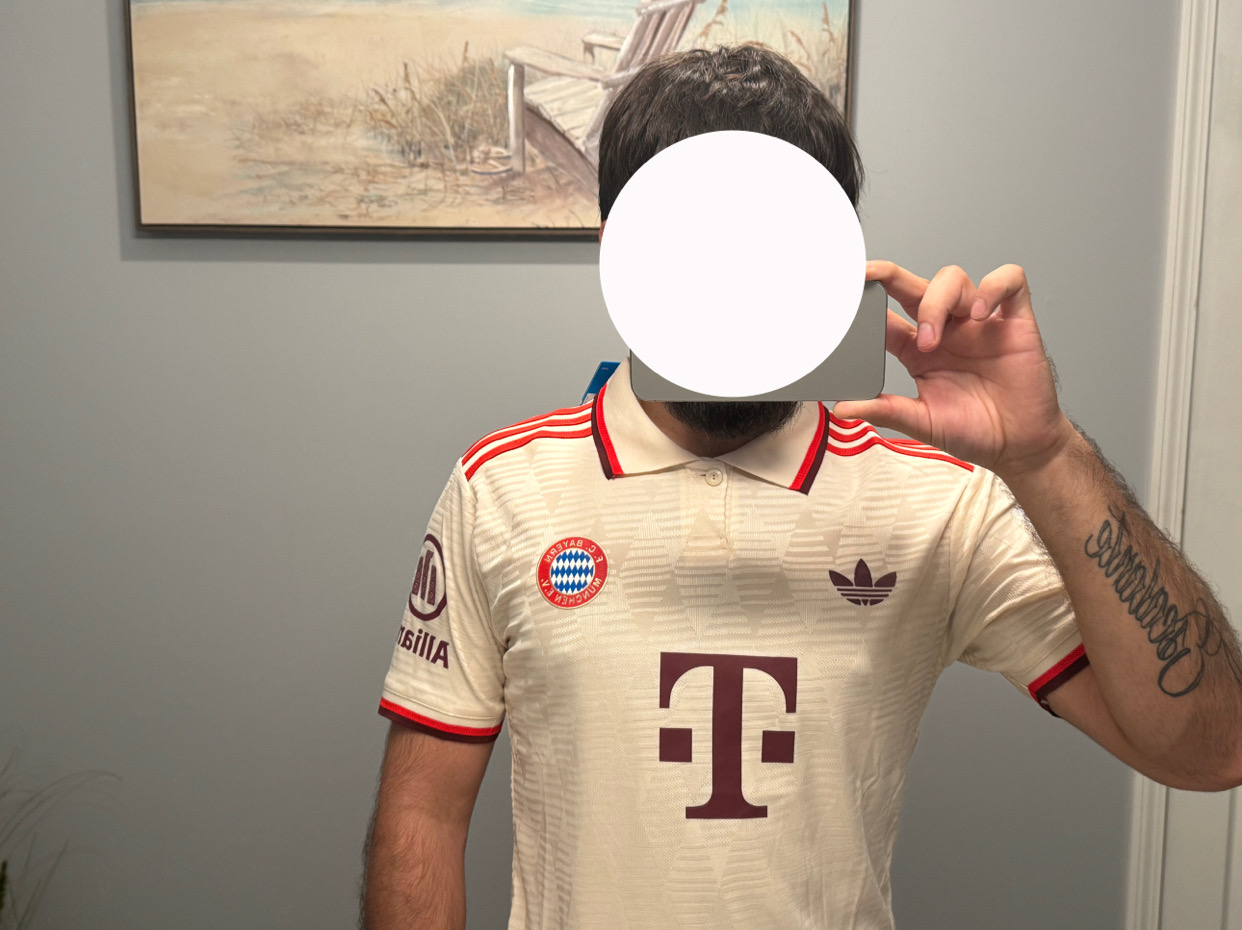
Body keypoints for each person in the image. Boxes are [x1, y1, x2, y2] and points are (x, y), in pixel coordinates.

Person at [361, 44, 1242, 930]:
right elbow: (423, 818)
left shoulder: (939, 504)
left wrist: (1045, 454)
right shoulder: (501, 488)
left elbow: (1213, 749)